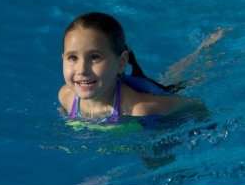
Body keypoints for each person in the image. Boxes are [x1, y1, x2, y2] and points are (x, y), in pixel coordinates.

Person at [58, 12, 225, 125]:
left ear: (121, 62)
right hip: (133, 87)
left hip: (151, 100)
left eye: (94, 57)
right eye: (72, 57)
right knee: (168, 79)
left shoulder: (140, 109)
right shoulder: (66, 96)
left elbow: (194, 104)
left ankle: (208, 51)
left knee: (182, 83)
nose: (81, 69)